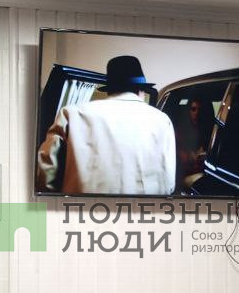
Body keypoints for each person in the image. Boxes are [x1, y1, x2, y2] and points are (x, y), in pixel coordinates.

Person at [36, 55, 176, 195]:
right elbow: (169, 182)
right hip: (145, 208)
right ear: (141, 91)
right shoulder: (163, 120)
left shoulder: (71, 114)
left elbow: (46, 175)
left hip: (82, 207)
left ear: (109, 89)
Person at [175, 97, 215, 185]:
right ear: (188, 112)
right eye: (193, 109)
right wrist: (193, 157)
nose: (197, 113)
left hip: (206, 176)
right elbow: (179, 163)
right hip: (186, 179)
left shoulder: (210, 132)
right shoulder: (179, 134)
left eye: (200, 110)